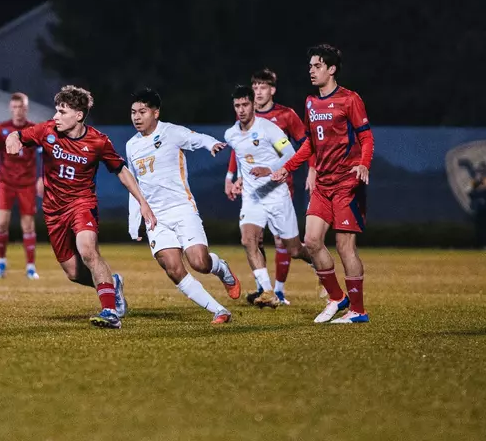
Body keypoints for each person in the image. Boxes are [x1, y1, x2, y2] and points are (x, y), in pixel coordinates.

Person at [5, 85, 157, 329]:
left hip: (81, 204)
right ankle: (112, 284)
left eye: (61, 111)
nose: (55, 116)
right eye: (56, 111)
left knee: (88, 250)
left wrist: (143, 202)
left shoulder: (98, 141)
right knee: (74, 273)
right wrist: (12, 139)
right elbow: (18, 136)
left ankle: (109, 310)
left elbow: (121, 170)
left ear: (78, 115)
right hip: (53, 211)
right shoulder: (47, 130)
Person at [272, 44, 374, 324]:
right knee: (312, 241)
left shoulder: (350, 99)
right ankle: (337, 298)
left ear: (331, 69)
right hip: (323, 185)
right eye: (310, 67)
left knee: (345, 248)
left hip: (346, 184)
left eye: (317, 66)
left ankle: (358, 311)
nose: (312, 71)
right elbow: (310, 146)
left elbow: (366, 137)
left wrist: (364, 164)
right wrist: (287, 167)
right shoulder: (310, 103)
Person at [125, 88, 240, 325]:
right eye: (133, 112)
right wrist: (133, 222)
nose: (137, 117)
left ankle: (222, 269)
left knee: (199, 262)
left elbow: (196, 138)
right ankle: (219, 310)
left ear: (155, 113)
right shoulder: (131, 146)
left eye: (142, 111)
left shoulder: (172, 132)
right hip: (155, 216)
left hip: (181, 208)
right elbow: (134, 185)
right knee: (173, 267)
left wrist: (211, 144)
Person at [224, 68, 315, 304]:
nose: (241, 110)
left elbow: (292, 151)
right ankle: (267, 291)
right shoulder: (232, 133)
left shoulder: (273, 126)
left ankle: (318, 263)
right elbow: (242, 155)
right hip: (253, 197)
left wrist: (271, 169)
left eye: (245, 105)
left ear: (253, 104)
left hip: (277, 193)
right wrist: (235, 178)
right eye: (238, 106)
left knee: (293, 249)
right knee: (249, 239)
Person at [0, 92, 43, 280]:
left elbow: (45, 157)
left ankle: (31, 267)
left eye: (22, 107)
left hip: (26, 184)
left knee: (28, 226)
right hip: (6, 183)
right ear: (11, 108)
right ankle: (1, 262)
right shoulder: (2, 129)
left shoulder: (34, 129)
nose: (18, 111)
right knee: (1, 224)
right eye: (15, 107)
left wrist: (42, 178)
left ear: (26, 109)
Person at [468, 164, 486, 248]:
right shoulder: (474, 183)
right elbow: (470, 193)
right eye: (479, 171)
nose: (480, 174)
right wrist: (478, 188)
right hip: (478, 209)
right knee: (478, 227)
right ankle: (479, 244)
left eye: (482, 172)